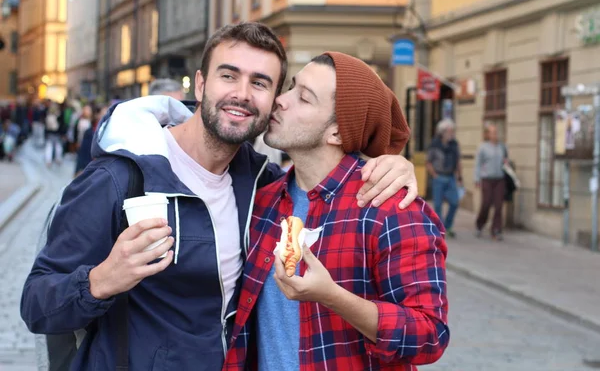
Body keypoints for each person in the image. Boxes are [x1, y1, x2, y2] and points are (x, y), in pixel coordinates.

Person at [21, 22, 419, 371]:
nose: (243, 94)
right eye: (229, 76)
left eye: (260, 83)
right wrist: (101, 280)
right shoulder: (118, 177)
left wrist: (391, 162)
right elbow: (37, 304)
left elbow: (329, 167)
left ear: (272, 101)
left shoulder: (262, 185)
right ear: (200, 84)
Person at [224, 53, 449, 370]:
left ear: (338, 133)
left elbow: (429, 336)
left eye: (303, 97)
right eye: (291, 87)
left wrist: (332, 297)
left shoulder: (389, 208)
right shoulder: (263, 200)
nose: (281, 100)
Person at [426, 119, 462, 238]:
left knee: (455, 202)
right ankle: (439, 228)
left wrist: (459, 177)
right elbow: (429, 162)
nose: (451, 133)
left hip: (451, 177)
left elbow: (458, 161)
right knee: (438, 204)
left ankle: (448, 225)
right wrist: (434, 175)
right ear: (442, 131)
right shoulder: (435, 144)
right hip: (439, 176)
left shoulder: (454, 144)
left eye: (452, 131)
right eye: (449, 131)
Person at [474, 123, 508, 240]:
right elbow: (478, 164)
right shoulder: (483, 147)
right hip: (487, 179)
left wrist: (506, 164)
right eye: (492, 133)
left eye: (496, 132)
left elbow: (506, 161)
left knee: (499, 205)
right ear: (488, 134)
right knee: (486, 203)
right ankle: (480, 224)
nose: (495, 135)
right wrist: (477, 179)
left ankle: (496, 229)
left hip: (499, 179)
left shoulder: (502, 147)